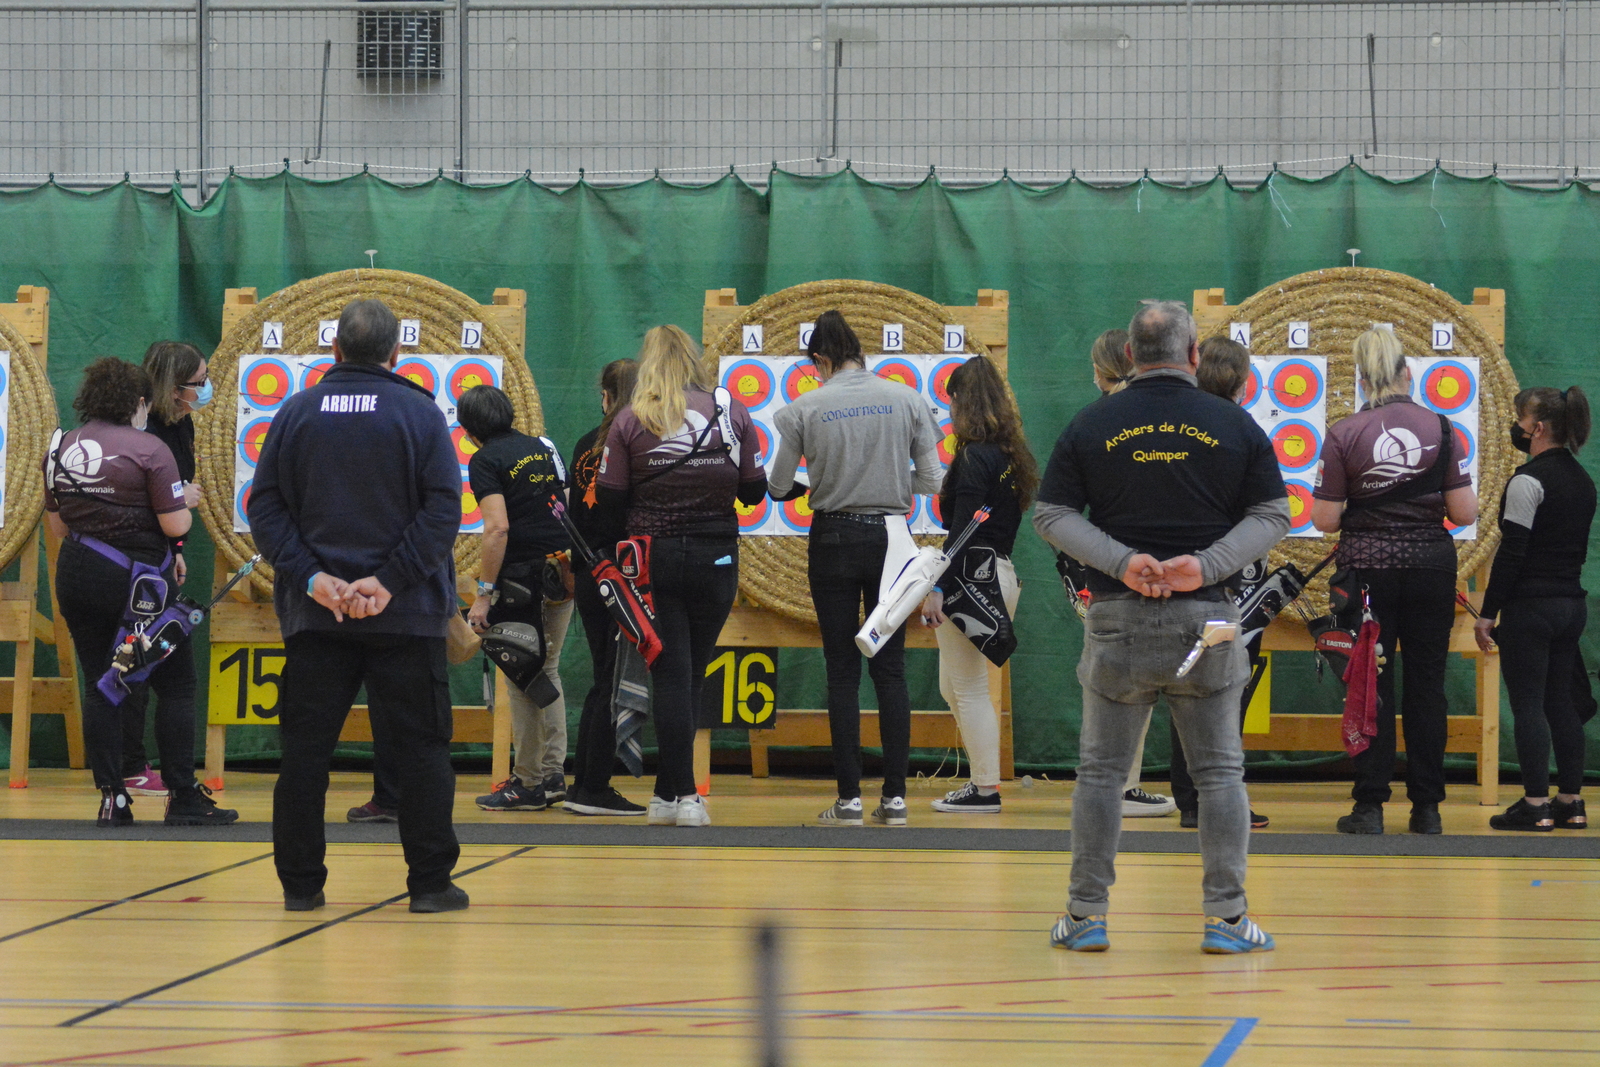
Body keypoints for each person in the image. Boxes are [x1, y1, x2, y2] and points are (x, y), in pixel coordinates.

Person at [1035, 300, 1286, 954]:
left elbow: (1051, 515)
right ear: (1194, 355)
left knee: (1100, 774)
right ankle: (1227, 920)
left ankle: (1085, 916)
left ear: (1129, 356)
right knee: (1220, 774)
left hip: (1117, 618)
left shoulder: (1092, 422)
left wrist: (1122, 561)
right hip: (1210, 620)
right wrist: (1206, 566)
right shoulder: (1232, 423)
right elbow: (1273, 514)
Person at [250, 298, 467, 913]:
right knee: (422, 751)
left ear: (335, 349)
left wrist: (313, 578)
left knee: (305, 755)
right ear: (397, 353)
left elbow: (264, 507)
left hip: (317, 617)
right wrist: (389, 582)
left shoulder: (295, 411)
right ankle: (430, 886)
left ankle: (301, 888)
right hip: (406, 617)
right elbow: (443, 510)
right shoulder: (420, 412)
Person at [768, 310, 944, 827]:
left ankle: (848, 800)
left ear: (821, 359)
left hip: (833, 539)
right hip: (892, 540)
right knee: (890, 669)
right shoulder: (906, 399)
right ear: (859, 352)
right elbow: (932, 481)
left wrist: (830, 483)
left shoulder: (804, 407)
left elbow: (777, 487)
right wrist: (887, 482)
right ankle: (895, 799)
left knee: (841, 670)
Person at [44, 357, 236, 827]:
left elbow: (58, 527)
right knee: (176, 683)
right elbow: (176, 524)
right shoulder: (151, 449)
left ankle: (113, 799)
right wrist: (182, 500)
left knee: (102, 683)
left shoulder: (62, 445)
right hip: (138, 583)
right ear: (139, 402)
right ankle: (183, 797)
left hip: (77, 573)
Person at [594, 325, 767, 827]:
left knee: (671, 674)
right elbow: (753, 491)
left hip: (654, 560)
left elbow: (609, 500)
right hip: (717, 558)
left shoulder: (630, 419)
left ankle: (673, 796)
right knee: (690, 675)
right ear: (694, 359)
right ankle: (678, 796)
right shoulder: (731, 410)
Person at [1312, 325, 1478, 836]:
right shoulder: (1444, 429)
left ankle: (1370, 808)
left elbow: (1324, 519)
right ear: (1409, 373)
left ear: (1362, 381)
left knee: (1371, 685)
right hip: (1431, 570)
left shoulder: (1344, 433)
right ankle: (1427, 809)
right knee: (1427, 687)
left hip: (1368, 575)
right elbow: (1464, 512)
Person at [918, 356, 1037, 814]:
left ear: (962, 402)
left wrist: (938, 588)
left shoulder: (972, 457)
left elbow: (963, 530)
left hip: (970, 580)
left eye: (951, 400)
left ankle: (985, 789)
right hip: (998, 575)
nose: (949, 410)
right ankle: (981, 783)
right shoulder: (1010, 455)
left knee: (967, 690)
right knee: (954, 687)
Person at [1474, 387, 1594, 832]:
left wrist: (1488, 613)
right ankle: (1571, 803)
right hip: (1570, 606)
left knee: (1528, 705)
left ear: (1538, 428)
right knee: (1560, 701)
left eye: (1520, 419)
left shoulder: (1528, 480)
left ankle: (1536, 804)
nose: (1516, 427)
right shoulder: (1583, 479)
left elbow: (1512, 553)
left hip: (1532, 610)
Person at [1075, 328, 1177, 819]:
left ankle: (1113, 787)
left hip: (1112, 569)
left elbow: (1061, 511)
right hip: (1166, 568)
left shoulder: (1096, 419)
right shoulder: (1167, 414)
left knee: (1110, 682)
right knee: (1140, 681)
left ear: (1101, 370)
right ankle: (1121, 786)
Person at [1171, 335, 1268, 830]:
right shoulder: (1243, 429)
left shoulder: (1176, 427)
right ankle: (1222, 799)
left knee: (1185, 681)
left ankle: (1191, 799)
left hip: (1183, 571)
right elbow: (1266, 511)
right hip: (1234, 580)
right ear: (1243, 384)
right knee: (1227, 689)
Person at [463, 384, 575, 812]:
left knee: (522, 673)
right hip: (561, 571)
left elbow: (497, 529)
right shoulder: (543, 446)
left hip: (523, 581)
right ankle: (552, 775)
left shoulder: (485, 460)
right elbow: (565, 505)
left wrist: (484, 595)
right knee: (547, 668)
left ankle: (528, 783)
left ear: (470, 431)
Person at [114, 341, 211, 799]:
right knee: (137, 663)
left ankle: (136, 769)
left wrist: (177, 549)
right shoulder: (141, 430)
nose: (206, 389)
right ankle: (131, 768)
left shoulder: (180, 422)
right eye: (199, 382)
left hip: (159, 555)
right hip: (131, 562)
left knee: (151, 665)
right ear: (173, 388)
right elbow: (143, 498)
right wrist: (179, 501)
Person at [565, 358, 647, 816]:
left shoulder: (584, 444)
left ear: (606, 397)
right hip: (618, 574)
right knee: (611, 681)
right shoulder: (635, 440)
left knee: (603, 679)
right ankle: (593, 788)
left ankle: (584, 786)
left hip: (588, 574)